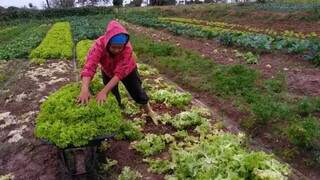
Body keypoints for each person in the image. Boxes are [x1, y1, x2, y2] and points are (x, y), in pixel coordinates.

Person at [77, 20, 157, 124]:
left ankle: (149, 111)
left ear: (124, 45)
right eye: (113, 47)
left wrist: (104, 91)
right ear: (108, 43)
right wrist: (84, 89)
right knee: (112, 94)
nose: (117, 50)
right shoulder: (99, 45)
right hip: (107, 70)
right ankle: (118, 110)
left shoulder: (127, 48)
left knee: (137, 91)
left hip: (128, 70)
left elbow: (119, 74)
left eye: (120, 47)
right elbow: (89, 66)